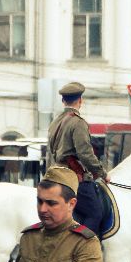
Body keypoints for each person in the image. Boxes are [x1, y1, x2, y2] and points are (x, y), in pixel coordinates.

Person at [47, 81, 106, 232]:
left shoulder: (55, 122)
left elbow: (50, 151)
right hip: (73, 179)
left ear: (63, 101)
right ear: (80, 101)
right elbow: (85, 154)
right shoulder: (78, 123)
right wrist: (101, 173)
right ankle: (83, 250)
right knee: (95, 213)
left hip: (55, 176)